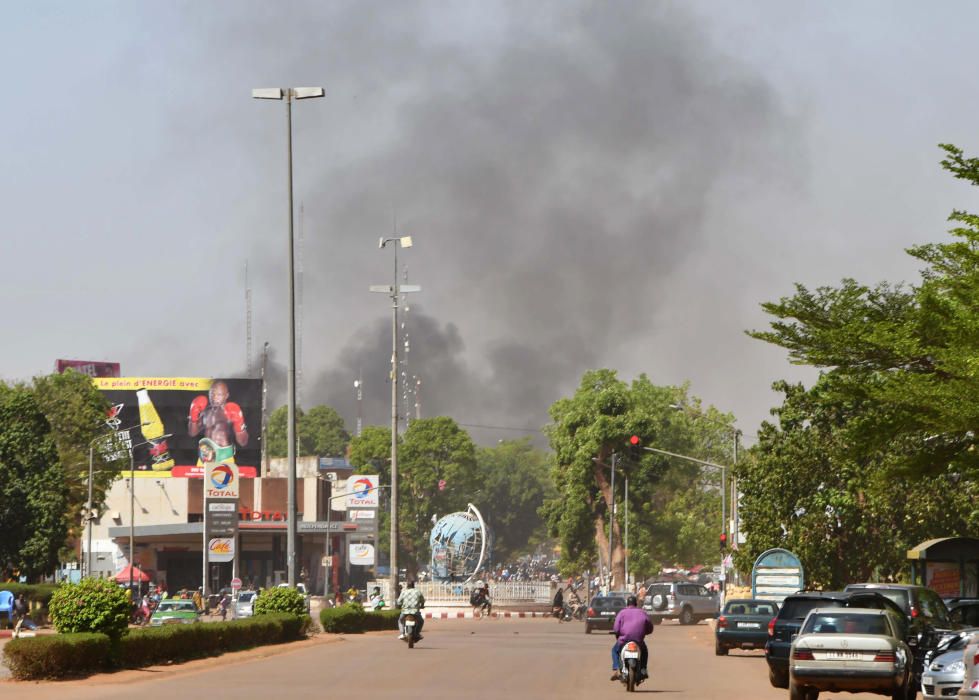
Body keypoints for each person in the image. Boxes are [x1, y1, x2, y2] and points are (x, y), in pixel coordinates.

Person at [188, 380, 249, 466]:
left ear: (226, 395)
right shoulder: (205, 411)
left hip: (224, 459)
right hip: (204, 458)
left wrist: (240, 425)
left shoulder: (231, 412)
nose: (214, 397)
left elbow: (243, 442)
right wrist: (193, 417)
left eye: (219, 395)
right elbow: (192, 433)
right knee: (196, 479)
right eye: (212, 393)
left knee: (222, 479)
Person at [610, 595, 653, 681]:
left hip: (624, 640)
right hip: (639, 641)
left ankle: (617, 668)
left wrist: (617, 632)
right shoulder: (642, 612)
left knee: (614, 650)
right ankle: (643, 669)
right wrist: (645, 632)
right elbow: (649, 627)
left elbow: (616, 628)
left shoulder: (622, 613)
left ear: (627, 604)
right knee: (644, 651)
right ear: (636, 604)